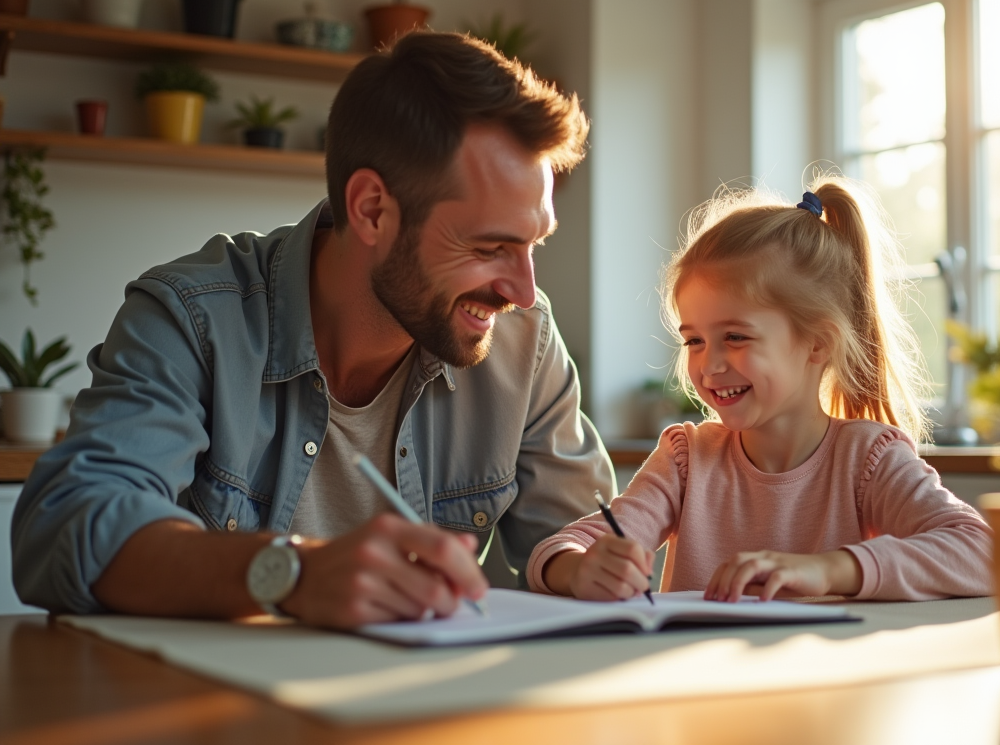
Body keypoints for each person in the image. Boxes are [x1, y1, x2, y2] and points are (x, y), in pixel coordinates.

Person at [13, 31, 614, 627]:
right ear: (372, 209)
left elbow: (587, 546)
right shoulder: (194, 320)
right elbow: (65, 530)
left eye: (533, 244)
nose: (523, 290)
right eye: (490, 246)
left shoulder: (524, 345)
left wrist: (614, 561)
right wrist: (290, 574)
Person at [528, 179, 992, 602]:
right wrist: (578, 568)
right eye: (694, 340)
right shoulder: (686, 459)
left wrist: (831, 570)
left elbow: (980, 552)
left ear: (817, 343)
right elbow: (557, 550)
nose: (708, 365)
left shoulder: (868, 458)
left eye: (735, 337)